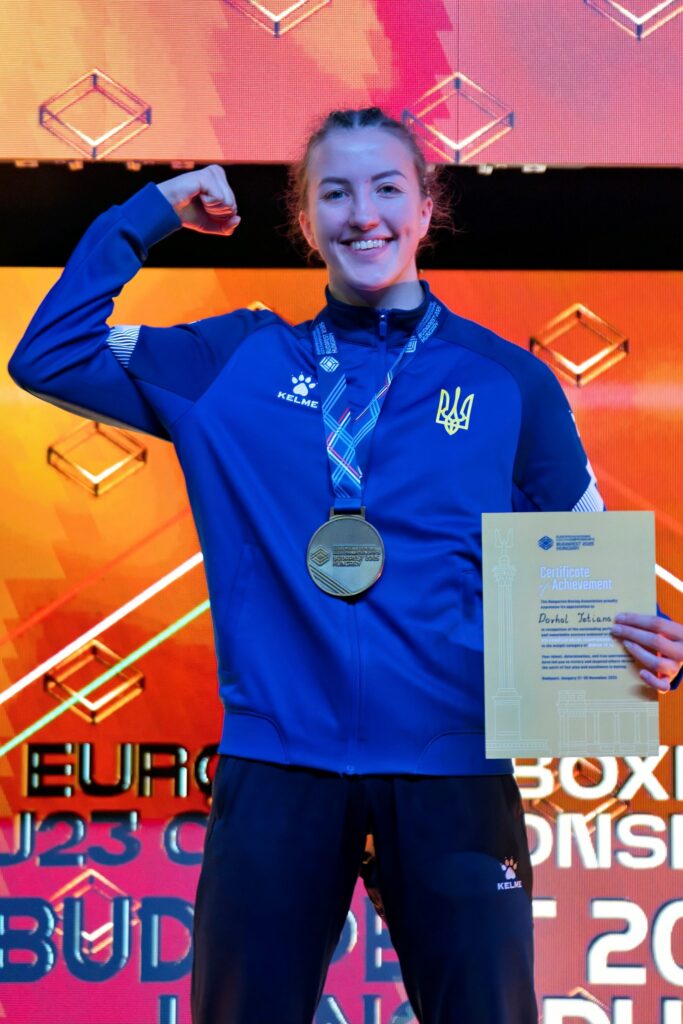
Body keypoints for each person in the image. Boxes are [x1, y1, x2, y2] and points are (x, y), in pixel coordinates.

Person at [8, 107, 683, 1024]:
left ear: (425, 207)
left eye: (386, 188)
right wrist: (152, 211)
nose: (363, 214)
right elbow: (50, 354)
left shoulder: (507, 382)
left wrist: (647, 644)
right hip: (277, 772)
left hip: (451, 776)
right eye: (335, 193)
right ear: (304, 218)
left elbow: (586, 565)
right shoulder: (230, 361)